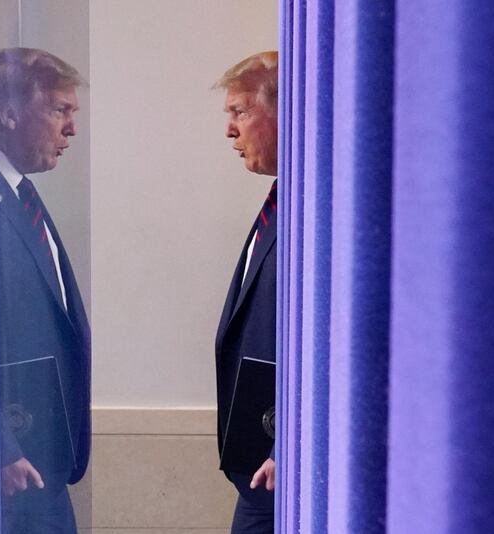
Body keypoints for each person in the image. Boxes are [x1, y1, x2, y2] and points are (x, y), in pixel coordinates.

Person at [0, 47, 91, 534]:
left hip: (44, 463)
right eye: (60, 111)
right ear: (9, 114)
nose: (71, 129)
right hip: (9, 471)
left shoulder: (20, 194)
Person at [213, 51, 279, 534]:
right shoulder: (283, 198)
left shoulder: (326, 204)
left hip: (286, 462)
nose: (229, 131)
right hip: (259, 463)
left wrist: (292, 442)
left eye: (240, 112)